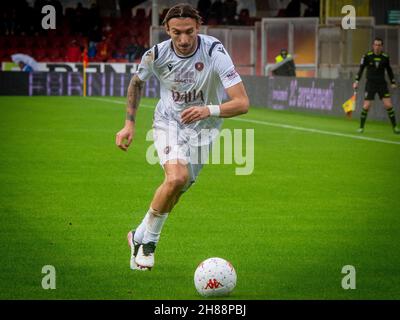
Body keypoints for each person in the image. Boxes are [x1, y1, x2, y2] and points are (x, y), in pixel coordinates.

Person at [115, 3, 249, 270]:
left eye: (189, 31)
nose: (184, 39)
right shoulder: (156, 55)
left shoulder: (214, 51)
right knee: (176, 177)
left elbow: (242, 103)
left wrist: (206, 109)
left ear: (198, 27)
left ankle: (137, 235)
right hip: (168, 123)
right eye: (177, 33)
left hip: (204, 129)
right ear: (166, 29)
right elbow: (136, 83)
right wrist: (129, 123)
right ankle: (148, 243)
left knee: (176, 190)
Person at [353, 38, 399, 134]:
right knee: (366, 106)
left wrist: (393, 82)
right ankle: (361, 127)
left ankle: (395, 127)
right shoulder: (367, 56)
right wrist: (356, 81)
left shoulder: (385, 57)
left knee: (388, 105)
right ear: (373, 46)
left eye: (379, 45)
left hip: (382, 84)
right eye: (375, 45)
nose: (377, 47)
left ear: (382, 46)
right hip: (371, 84)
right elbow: (361, 69)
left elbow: (389, 70)